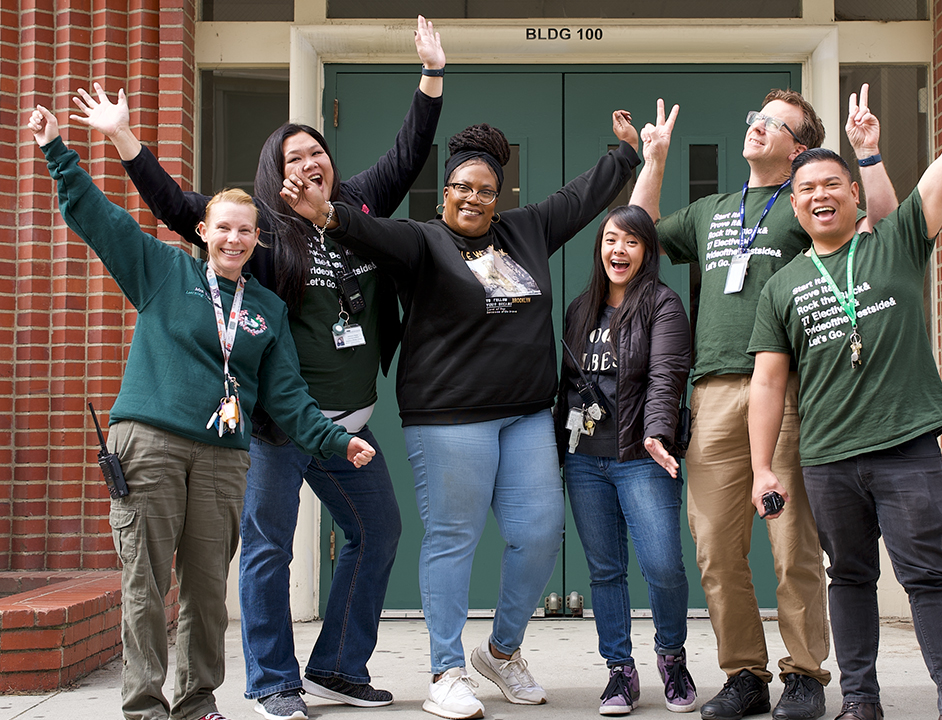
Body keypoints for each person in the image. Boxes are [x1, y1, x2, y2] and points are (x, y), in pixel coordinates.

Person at [73, 17, 444, 720]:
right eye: (295, 156)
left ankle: (337, 663)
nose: (310, 164)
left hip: (350, 426)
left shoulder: (357, 207)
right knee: (269, 550)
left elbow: (409, 152)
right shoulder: (262, 233)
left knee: (379, 532)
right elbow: (182, 208)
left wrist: (431, 76)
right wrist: (126, 142)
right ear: (277, 171)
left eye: (319, 153)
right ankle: (273, 681)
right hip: (280, 427)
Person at [282, 114, 642, 720]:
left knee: (537, 534)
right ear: (445, 190)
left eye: (485, 190)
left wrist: (627, 154)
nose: (473, 198)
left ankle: (501, 651)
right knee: (454, 539)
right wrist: (326, 214)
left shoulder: (526, 230)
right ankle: (445, 672)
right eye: (462, 188)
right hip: (448, 417)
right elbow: (367, 234)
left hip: (526, 413)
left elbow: (578, 199)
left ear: (499, 197)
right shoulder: (421, 241)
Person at [27, 105, 375, 720]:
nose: (234, 239)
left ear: (257, 239)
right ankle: (144, 706)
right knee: (145, 583)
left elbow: (288, 393)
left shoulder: (265, 306)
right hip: (151, 445)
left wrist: (334, 441)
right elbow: (97, 217)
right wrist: (59, 148)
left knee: (207, 589)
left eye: (246, 231)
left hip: (223, 456)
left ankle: (196, 700)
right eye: (223, 228)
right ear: (203, 231)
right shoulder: (163, 271)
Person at [747, 24, 942, 720]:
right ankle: (860, 702)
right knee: (847, 579)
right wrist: (764, 467)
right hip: (826, 458)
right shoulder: (782, 285)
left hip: (906, 449)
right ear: (794, 207)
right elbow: (767, 382)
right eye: (806, 190)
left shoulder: (900, 242)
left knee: (927, 580)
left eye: (832, 184)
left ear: (854, 193)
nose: (819, 195)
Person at [630, 89, 898, 720]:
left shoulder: (805, 206)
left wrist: (869, 154)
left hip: (789, 391)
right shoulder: (712, 209)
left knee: (792, 545)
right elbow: (638, 236)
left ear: (797, 147)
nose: (754, 126)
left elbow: (880, 220)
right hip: (714, 392)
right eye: (753, 117)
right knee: (716, 548)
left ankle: (805, 674)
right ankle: (744, 673)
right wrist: (656, 160)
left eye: (771, 123)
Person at [556, 200, 694, 715]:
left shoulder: (662, 304)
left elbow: (667, 375)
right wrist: (556, 449)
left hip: (642, 455)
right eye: (612, 239)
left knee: (662, 564)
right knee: (605, 570)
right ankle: (619, 671)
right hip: (584, 459)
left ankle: (672, 657)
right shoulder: (579, 309)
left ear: (646, 251)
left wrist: (657, 432)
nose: (620, 249)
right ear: (600, 247)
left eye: (632, 241)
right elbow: (568, 387)